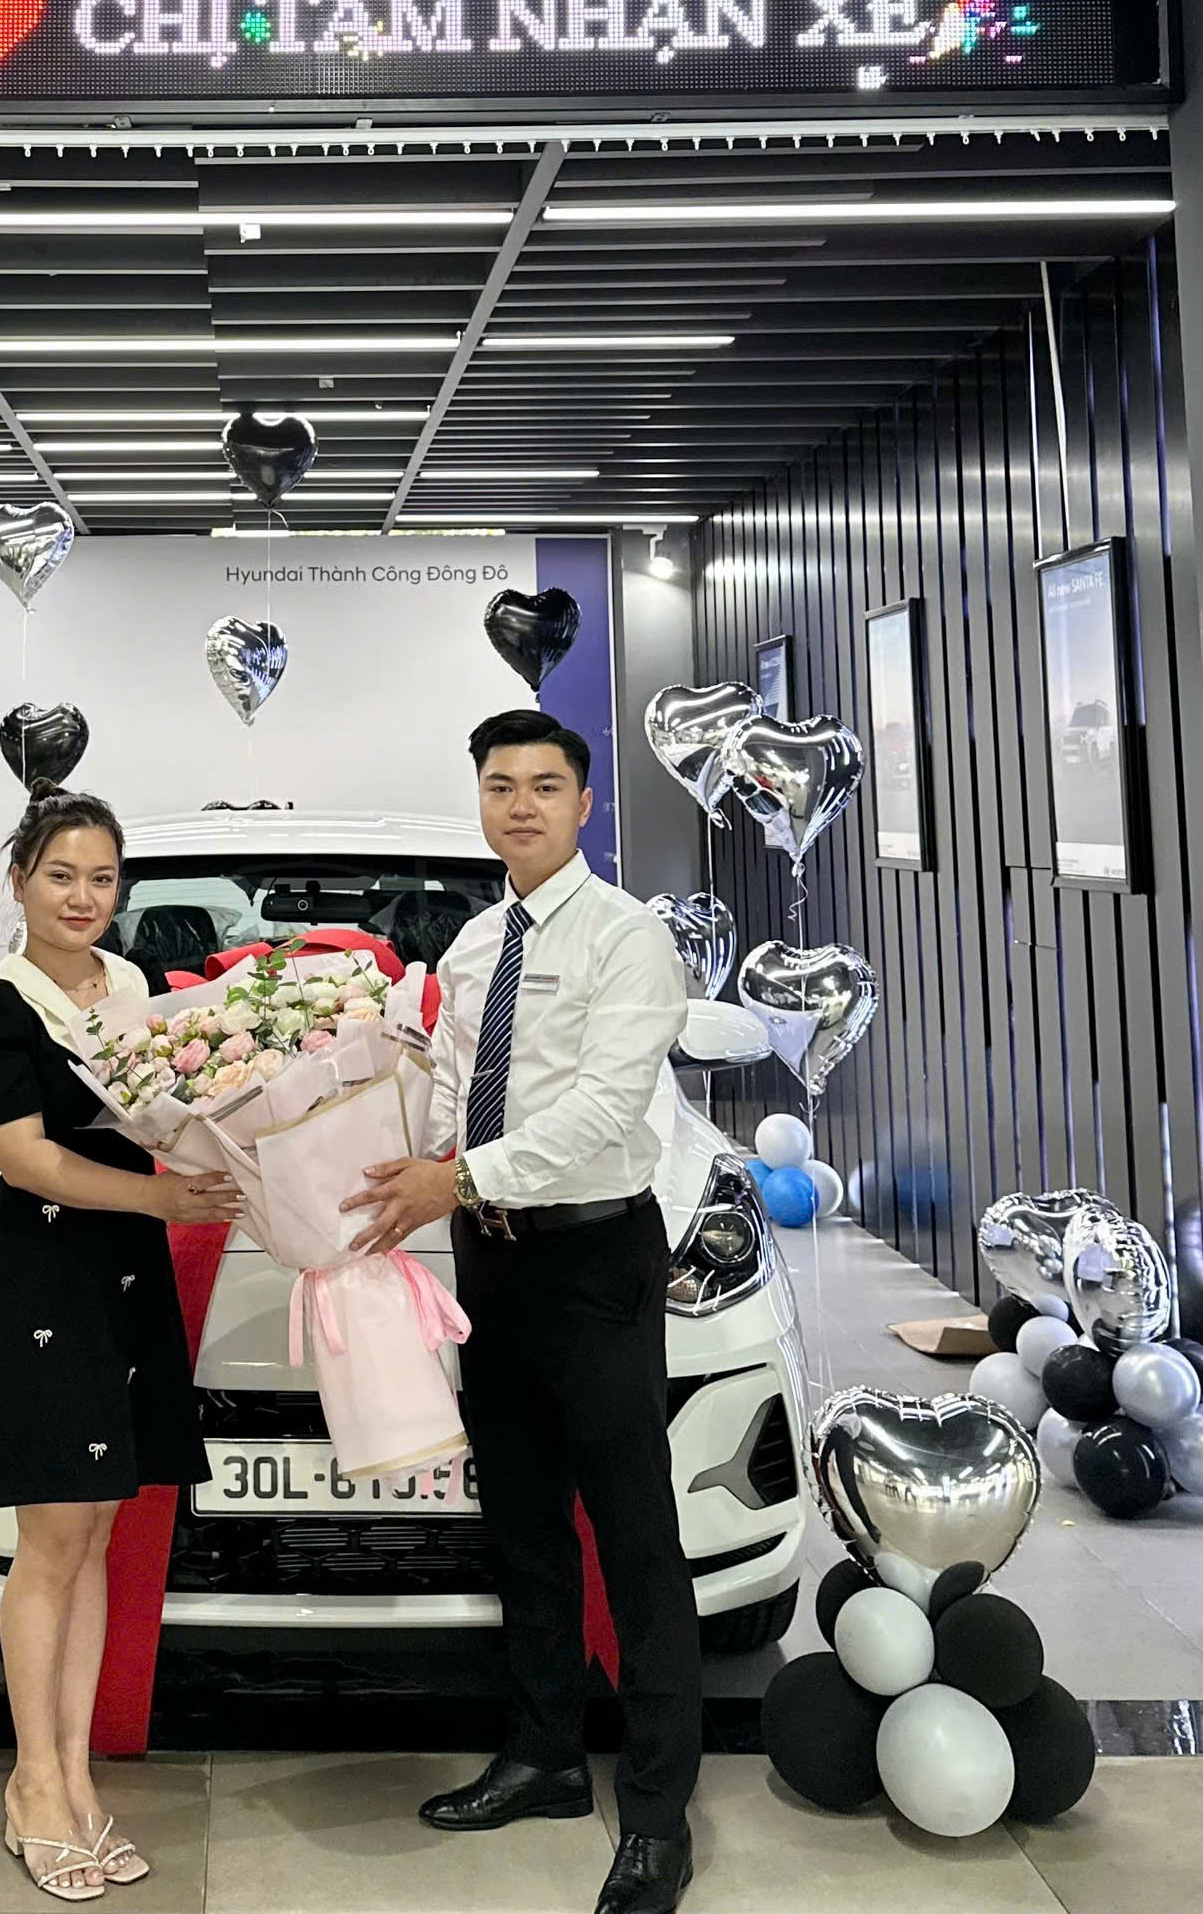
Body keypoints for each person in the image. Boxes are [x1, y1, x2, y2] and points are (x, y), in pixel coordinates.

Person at [341, 710, 700, 1914]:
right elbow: (447, 1096)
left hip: (592, 1259)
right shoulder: (472, 943)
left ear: (583, 804)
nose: (521, 805)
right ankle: (544, 1754)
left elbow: (603, 1110)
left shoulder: (626, 937)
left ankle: (655, 1813)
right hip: (487, 1262)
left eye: (545, 785)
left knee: (634, 1535)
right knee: (525, 1525)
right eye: (500, 786)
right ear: (481, 802)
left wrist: (454, 1178)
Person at [0, 781, 242, 1902]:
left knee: (99, 1532)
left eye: (102, 878)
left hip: (124, 1270)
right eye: (61, 874)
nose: (82, 896)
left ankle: (76, 1775)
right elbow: (23, 1156)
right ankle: (31, 1782)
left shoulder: (133, 988)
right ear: (19, 879)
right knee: (51, 1535)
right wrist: (160, 1197)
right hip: (44, 1267)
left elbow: (181, 1106)